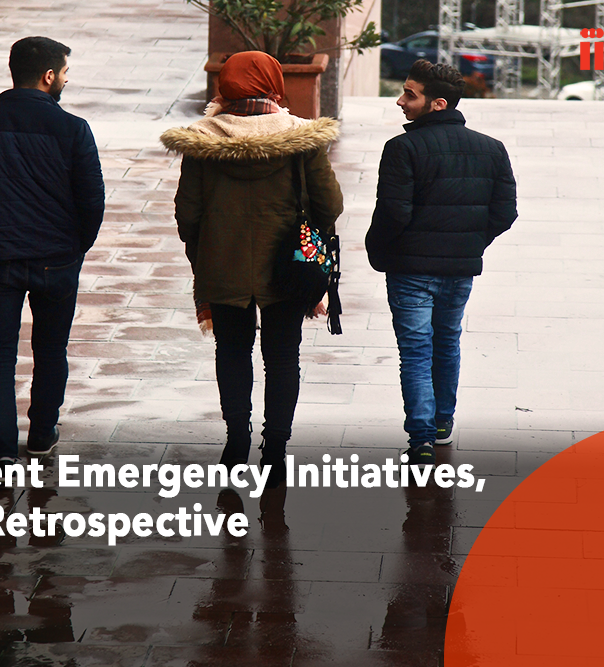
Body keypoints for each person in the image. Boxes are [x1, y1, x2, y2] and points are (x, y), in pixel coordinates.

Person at [160, 51, 344, 489]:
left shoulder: (202, 141)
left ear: (225, 86)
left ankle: (236, 442)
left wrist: (201, 258)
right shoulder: (303, 138)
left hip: (223, 266)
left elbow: (188, 213)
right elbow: (330, 205)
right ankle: (276, 450)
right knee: (283, 358)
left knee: (233, 353)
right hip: (288, 271)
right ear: (273, 83)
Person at [0, 36, 105, 467]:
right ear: (49, 76)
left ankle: (4, 453)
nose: (66, 80)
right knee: (51, 350)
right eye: (65, 73)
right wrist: (75, 247)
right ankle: (42, 435)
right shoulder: (73, 129)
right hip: (57, 259)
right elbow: (92, 201)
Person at [366, 61, 517, 465]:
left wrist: (378, 252)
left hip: (410, 271)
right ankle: (441, 424)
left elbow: (393, 213)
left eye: (409, 94)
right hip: (459, 270)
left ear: (438, 103)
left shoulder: (403, 148)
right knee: (446, 341)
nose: (400, 101)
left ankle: (420, 437)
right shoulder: (492, 149)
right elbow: (504, 213)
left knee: (416, 350)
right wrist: (469, 245)